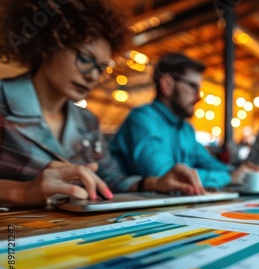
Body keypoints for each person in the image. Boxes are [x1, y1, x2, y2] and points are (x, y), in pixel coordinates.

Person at [0, 0, 204, 207]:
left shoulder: (87, 121)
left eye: (101, 68)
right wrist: (23, 191)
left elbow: (109, 178)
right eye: (85, 59)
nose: (93, 77)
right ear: (50, 44)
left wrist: (154, 183)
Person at [111, 53, 259, 189]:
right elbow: (166, 176)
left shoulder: (185, 129)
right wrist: (230, 178)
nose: (199, 97)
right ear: (167, 85)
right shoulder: (142, 119)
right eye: (192, 87)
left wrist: (244, 174)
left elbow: (210, 163)